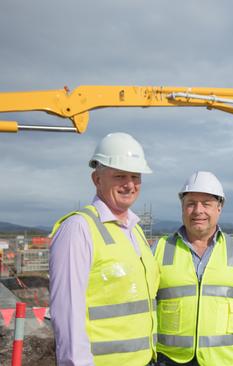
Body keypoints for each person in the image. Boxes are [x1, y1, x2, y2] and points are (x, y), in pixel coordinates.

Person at [49, 132, 159, 366]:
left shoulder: (135, 230)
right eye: (120, 176)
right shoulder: (78, 228)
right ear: (97, 179)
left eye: (135, 176)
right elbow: (68, 315)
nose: (129, 184)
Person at [153, 171, 233, 366]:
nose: (198, 210)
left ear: (219, 208)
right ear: (182, 208)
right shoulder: (159, 250)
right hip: (168, 361)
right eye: (191, 203)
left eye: (206, 203)